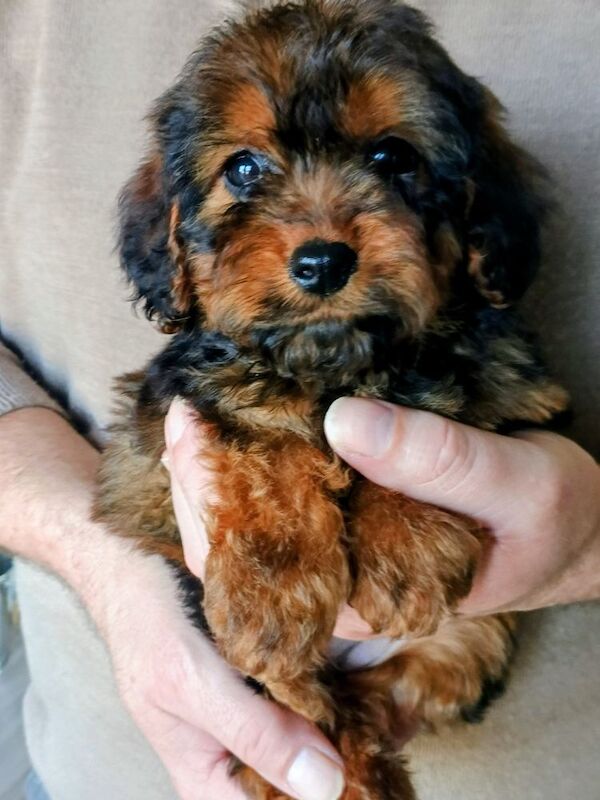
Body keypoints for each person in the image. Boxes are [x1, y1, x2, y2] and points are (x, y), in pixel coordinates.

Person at [0, 1, 598, 799]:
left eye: (392, 159)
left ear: (472, 209)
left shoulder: (486, 354)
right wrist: (107, 567)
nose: (321, 236)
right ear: (174, 230)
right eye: (244, 171)